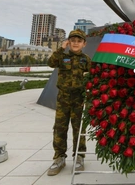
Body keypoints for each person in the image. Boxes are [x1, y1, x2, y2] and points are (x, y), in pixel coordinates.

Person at [47, 29, 91, 176]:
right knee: (60, 128)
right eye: (73, 41)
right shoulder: (62, 57)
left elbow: (93, 78)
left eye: (79, 41)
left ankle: (79, 156)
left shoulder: (86, 59)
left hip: (79, 99)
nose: (75, 43)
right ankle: (59, 158)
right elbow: (50, 63)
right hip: (63, 98)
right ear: (68, 42)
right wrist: (61, 48)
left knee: (79, 130)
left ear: (84, 44)